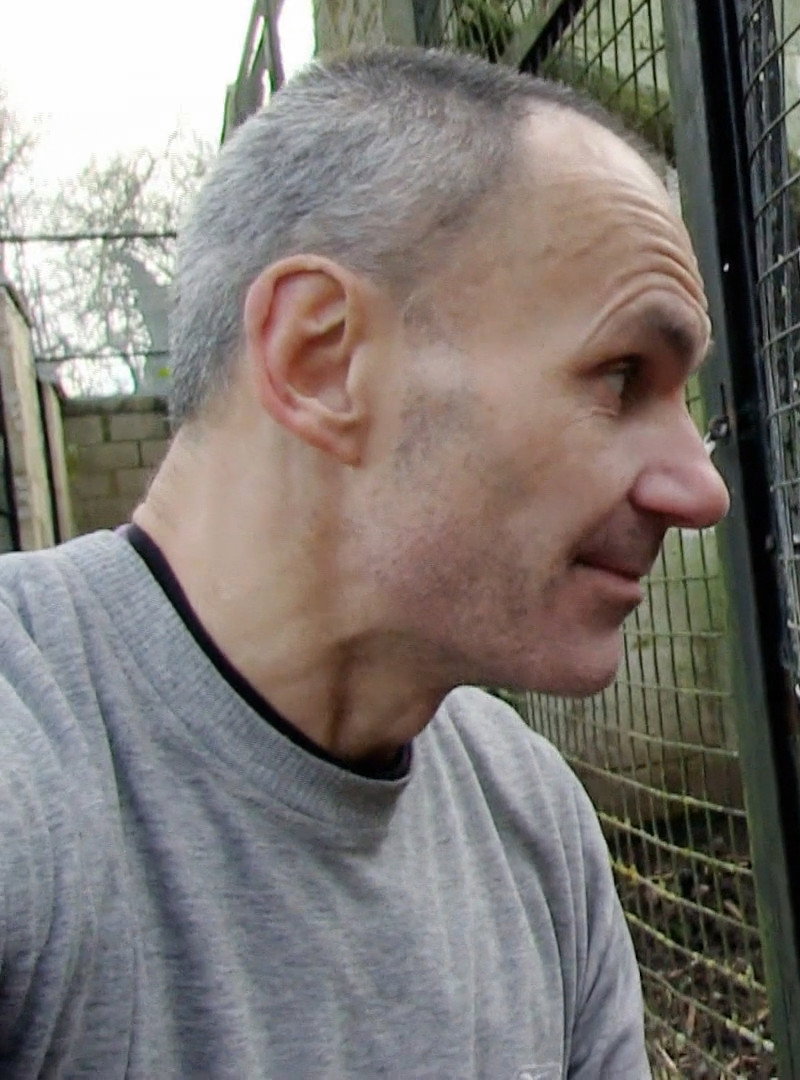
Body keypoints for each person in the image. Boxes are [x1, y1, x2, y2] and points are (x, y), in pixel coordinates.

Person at [0, 45, 729, 1077]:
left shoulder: (529, 817)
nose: (700, 489)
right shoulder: (29, 771)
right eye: (622, 378)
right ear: (320, 358)